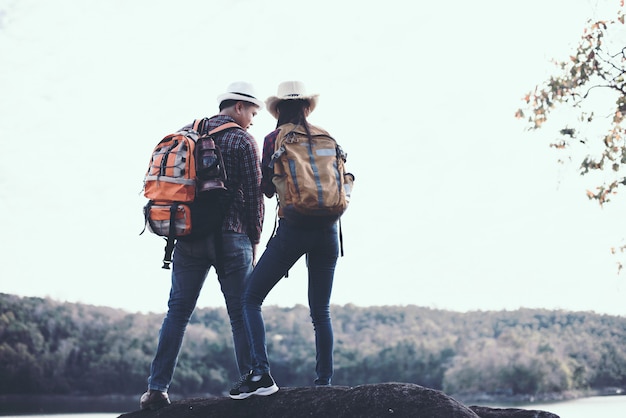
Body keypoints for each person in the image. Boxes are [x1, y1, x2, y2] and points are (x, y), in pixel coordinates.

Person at [140, 81, 265, 410]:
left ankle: (156, 388)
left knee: (177, 314)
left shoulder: (188, 132)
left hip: (188, 236)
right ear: (238, 107)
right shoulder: (242, 139)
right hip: (232, 236)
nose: (253, 119)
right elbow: (254, 199)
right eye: (252, 111)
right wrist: (254, 240)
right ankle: (251, 382)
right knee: (240, 314)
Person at [229, 81, 344, 399]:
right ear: (307, 107)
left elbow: (266, 189)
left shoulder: (273, 139)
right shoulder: (327, 138)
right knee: (321, 311)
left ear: (278, 110)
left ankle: (262, 374)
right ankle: (324, 383)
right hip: (330, 230)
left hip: (293, 229)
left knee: (250, 299)